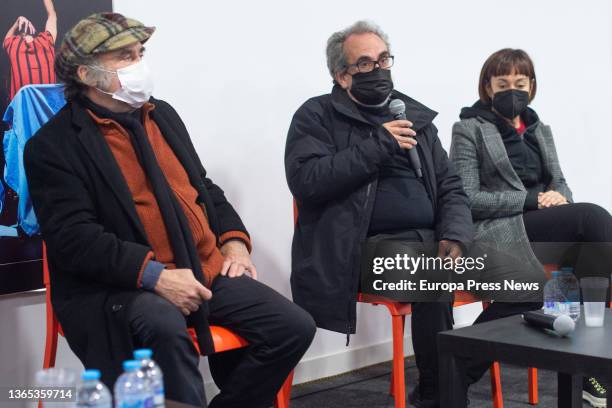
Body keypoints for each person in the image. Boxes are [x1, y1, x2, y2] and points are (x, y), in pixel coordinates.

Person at [24, 13, 315, 408]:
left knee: (292, 326)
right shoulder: (53, 145)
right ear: (87, 75)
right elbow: (74, 239)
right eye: (124, 56)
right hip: (121, 286)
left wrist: (233, 242)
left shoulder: (161, 115)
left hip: (200, 267)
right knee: (163, 327)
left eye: (140, 52)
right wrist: (155, 276)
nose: (140, 64)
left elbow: (202, 187)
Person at [285, 21, 474, 407]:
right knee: (433, 273)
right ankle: (442, 393)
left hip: (427, 244)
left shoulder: (415, 117)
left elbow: (451, 185)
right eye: (366, 64)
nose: (380, 69)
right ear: (342, 76)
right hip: (358, 251)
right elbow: (306, 180)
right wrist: (378, 145)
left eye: (384, 59)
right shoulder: (317, 115)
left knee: (516, 279)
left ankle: (457, 377)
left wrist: (454, 233)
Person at [450, 48, 612, 408]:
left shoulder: (541, 130)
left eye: (520, 83)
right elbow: (467, 197)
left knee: (572, 265)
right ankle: (590, 366)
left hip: (541, 227)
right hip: (499, 228)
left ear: (532, 86)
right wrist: (532, 201)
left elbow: (562, 184)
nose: (512, 90)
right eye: (503, 83)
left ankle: (586, 369)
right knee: (595, 220)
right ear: (487, 86)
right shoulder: (468, 129)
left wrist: (557, 197)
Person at [3, 0, 57, 101]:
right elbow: (52, 14)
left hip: (30, 113)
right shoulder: (46, 42)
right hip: (45, 112)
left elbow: (6, 40)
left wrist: (17, 22)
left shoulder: (15, 46)